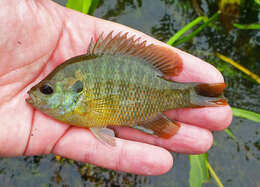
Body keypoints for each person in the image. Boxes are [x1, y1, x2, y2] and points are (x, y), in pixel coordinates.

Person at [0, 0, 232, 175]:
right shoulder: (75, 93)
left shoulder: (82, 103)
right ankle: (203, 95)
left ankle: (200, 94)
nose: (37, 94)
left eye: (47, 90)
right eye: (46, 89)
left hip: (148, 91)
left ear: (75, 90)